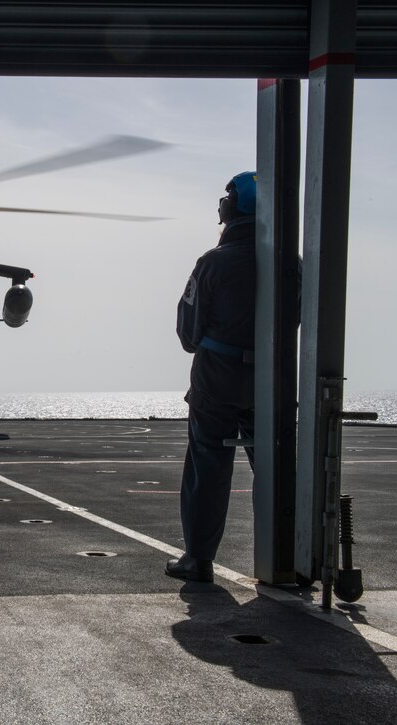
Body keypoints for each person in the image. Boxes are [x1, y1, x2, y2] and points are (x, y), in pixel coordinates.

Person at [166, 171, 258, 583]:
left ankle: (199, 558)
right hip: (269, 383)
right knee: (278, 470)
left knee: (208, 464)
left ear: (234, 208)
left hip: (216, 380)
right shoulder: (291, 263)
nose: (220, 205)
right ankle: (292, 556)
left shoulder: (213, 262)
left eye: (226, 197)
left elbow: (188, 333)